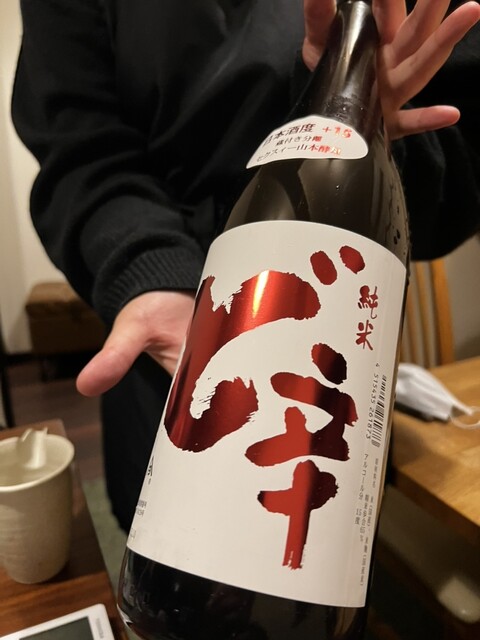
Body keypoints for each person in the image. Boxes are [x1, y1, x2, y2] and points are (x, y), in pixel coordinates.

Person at [11, 0, 480, 533]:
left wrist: (357, 118)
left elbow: (461, 167)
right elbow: (80, 149)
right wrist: (149, 270)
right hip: (174, 336)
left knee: (313, 547)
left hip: (328, 358)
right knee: (170, 543)